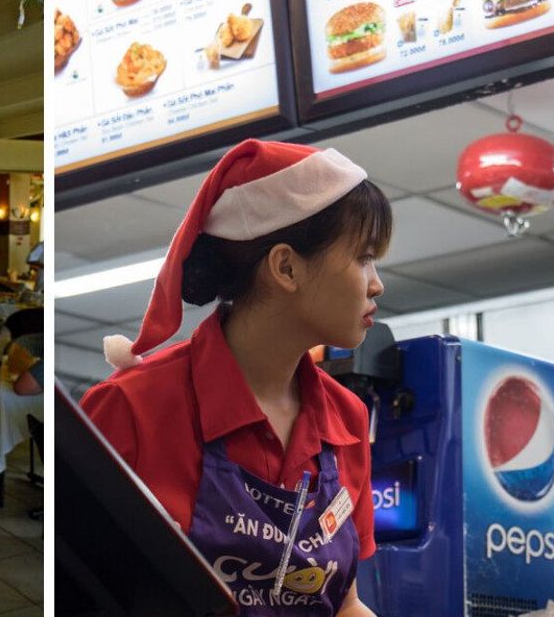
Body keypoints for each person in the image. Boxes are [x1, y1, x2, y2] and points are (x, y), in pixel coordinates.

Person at [80, 140, 391, 617]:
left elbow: (344, 602)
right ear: (285, 266)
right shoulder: (129, 409)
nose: (376, 284)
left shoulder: (346, 419)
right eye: (364, 258)